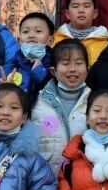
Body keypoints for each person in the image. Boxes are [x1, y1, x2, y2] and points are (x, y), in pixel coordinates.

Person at [31, 38, 91, 177]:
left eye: (79, 63)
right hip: (45, 184)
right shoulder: (35, 103)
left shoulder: (97, 104)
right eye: (65, 63)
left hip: (85, 184)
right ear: (53, 71)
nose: (73, 69)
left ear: (88, 68)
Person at [52, 0, 108, 64]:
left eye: (86, 6)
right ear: (67, 14)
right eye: (75, 6)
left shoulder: (106, 47)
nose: (81, 10)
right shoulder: (55, 42)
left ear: (95, 13)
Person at [2, 11, 55, 95]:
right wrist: (1, 90)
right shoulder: (9, 68)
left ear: (50, 40)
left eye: (38, 31)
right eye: (26, 32)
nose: (31, 35)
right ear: (19, 41)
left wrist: (40, 72)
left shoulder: (57, 66)